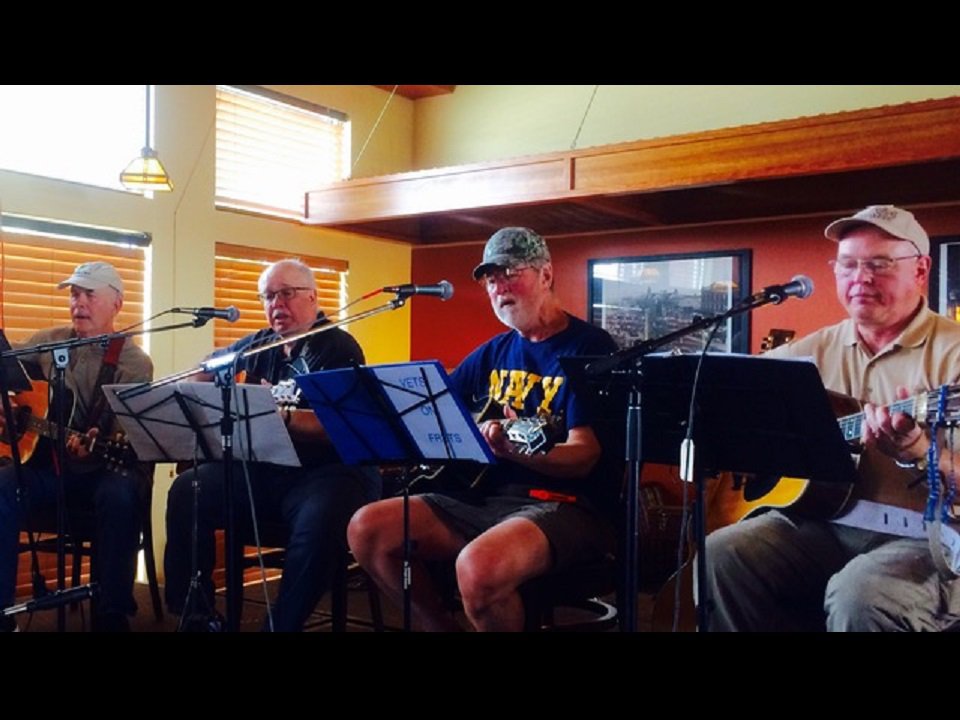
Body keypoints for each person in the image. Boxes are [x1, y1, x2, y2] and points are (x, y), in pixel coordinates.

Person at [702, 205, 960, 631]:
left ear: (920, 270)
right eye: (848, 264)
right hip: (826, 522)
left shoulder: (951, 353)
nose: (861, 278)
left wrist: (921, 452)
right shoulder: (809, 353)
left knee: (861, 594)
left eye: (879, 264)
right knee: (721, 554)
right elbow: (737, 406)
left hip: (933, 536)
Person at [348, 227, 620, 631]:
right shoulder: (494, 351)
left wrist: (514, 450)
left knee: (477, 567)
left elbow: (585, 455)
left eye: (510, 273)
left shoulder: (589, 348)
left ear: (546, 275)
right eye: (491, 280)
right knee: (368, 529)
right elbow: (438, 410)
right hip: (485, 499)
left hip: (567, 506)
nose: (499, 287)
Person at [163, 258, 381, 632]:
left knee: (320, 519)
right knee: (189, 489)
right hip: (268, 468)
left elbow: (339, 425)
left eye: (286, 294)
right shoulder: (259, 345)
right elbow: (205, 371)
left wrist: (279, 415)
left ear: (312, 297)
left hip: (328, 472)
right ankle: (195, 614)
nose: (276, 304)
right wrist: (189, 388)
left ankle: (280, 625)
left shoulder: (337, 348)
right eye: (268, 296)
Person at [0, 261, 154, 632]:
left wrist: (94, 445)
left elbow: (127, 435)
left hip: (105, 468)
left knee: (119, 496)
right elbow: (8, 364)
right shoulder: (51, 340)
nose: (78, 303)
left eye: (89, 295)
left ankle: (112, 611)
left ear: (116, 304)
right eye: (73, 294)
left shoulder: (134, 363)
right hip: (50, 467)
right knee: (2, 486)